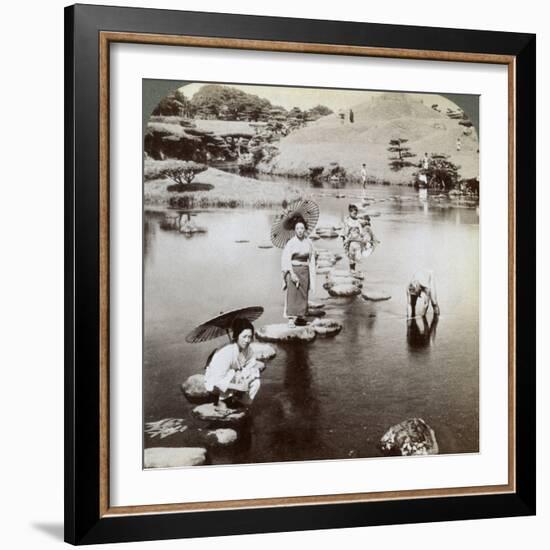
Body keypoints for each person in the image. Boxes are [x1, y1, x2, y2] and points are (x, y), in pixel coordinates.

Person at [204, 318, 263, 409]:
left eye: (250, 337)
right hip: (216, 383)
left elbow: (252, 367)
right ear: (237, 336)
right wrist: (238, 386)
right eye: (244, 336)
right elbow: (216, 380)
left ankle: (241, 401)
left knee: (256, 382)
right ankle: (221, 401)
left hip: (234, 381)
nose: (247, 340)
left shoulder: (248, 350)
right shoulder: (226, 352)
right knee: (231, 372)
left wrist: (246, 381)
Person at [281, 218, 316, 328]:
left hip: (305, 270)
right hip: (293, 269)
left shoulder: (309, 242)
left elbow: (312, 257)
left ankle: (300, 317)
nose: (300, 230)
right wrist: (291, 273)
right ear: (295, 230)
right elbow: (286, 259)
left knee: (303, 294)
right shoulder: (291, 243)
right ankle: (291, 318)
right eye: (297, 228)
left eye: (302, 228)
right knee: (292, 294)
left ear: (305, 229)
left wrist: (314, 264)